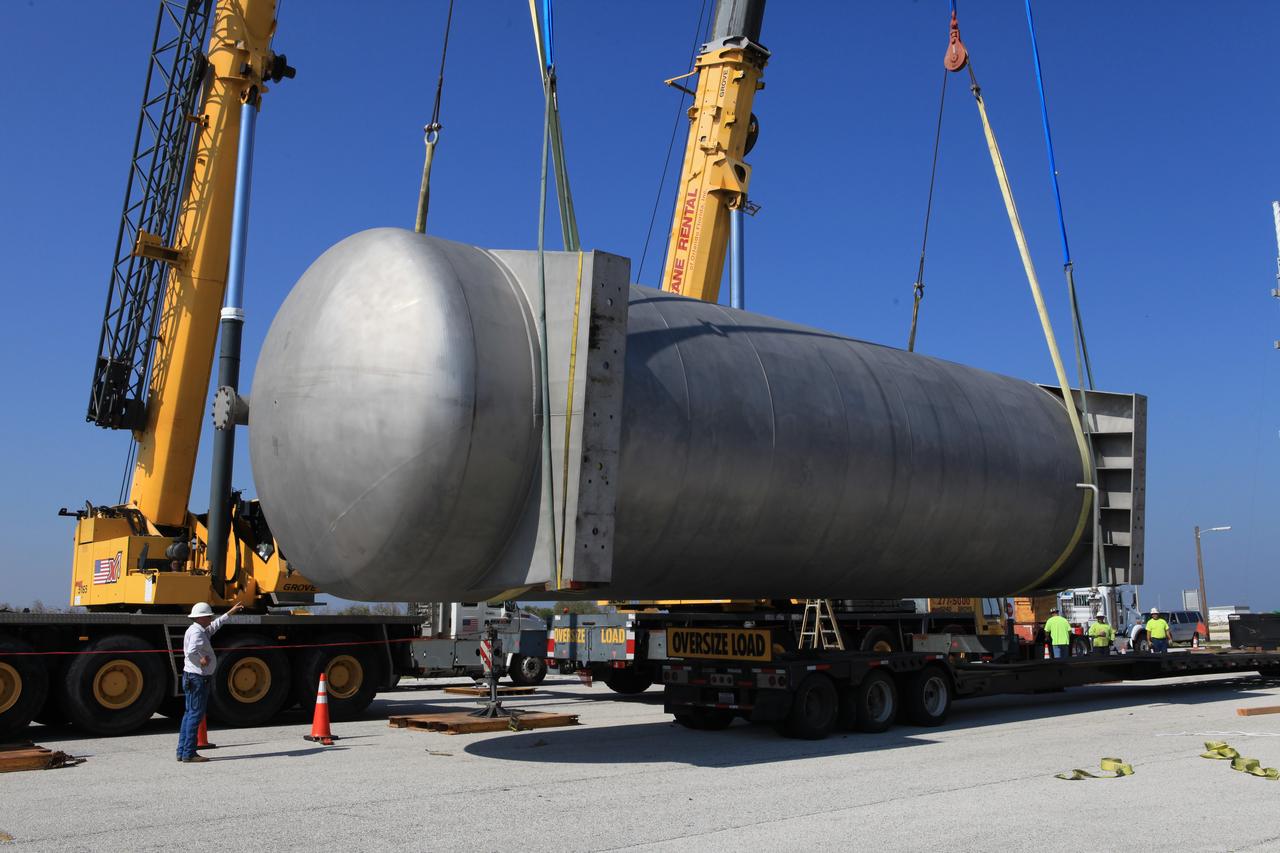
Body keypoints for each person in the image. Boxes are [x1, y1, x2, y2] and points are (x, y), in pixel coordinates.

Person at [177, 600, 243, 763]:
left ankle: (182, 751)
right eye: (208, 616)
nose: (210, 618)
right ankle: (189, 753)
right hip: (197, 678)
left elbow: (215, 625)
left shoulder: (197, 629)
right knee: (195, 715)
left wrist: (230, 612)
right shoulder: (198, 633)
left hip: (191, 677)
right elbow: (192, 651)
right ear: (201, 618)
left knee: (189, 714)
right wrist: (201, 660)